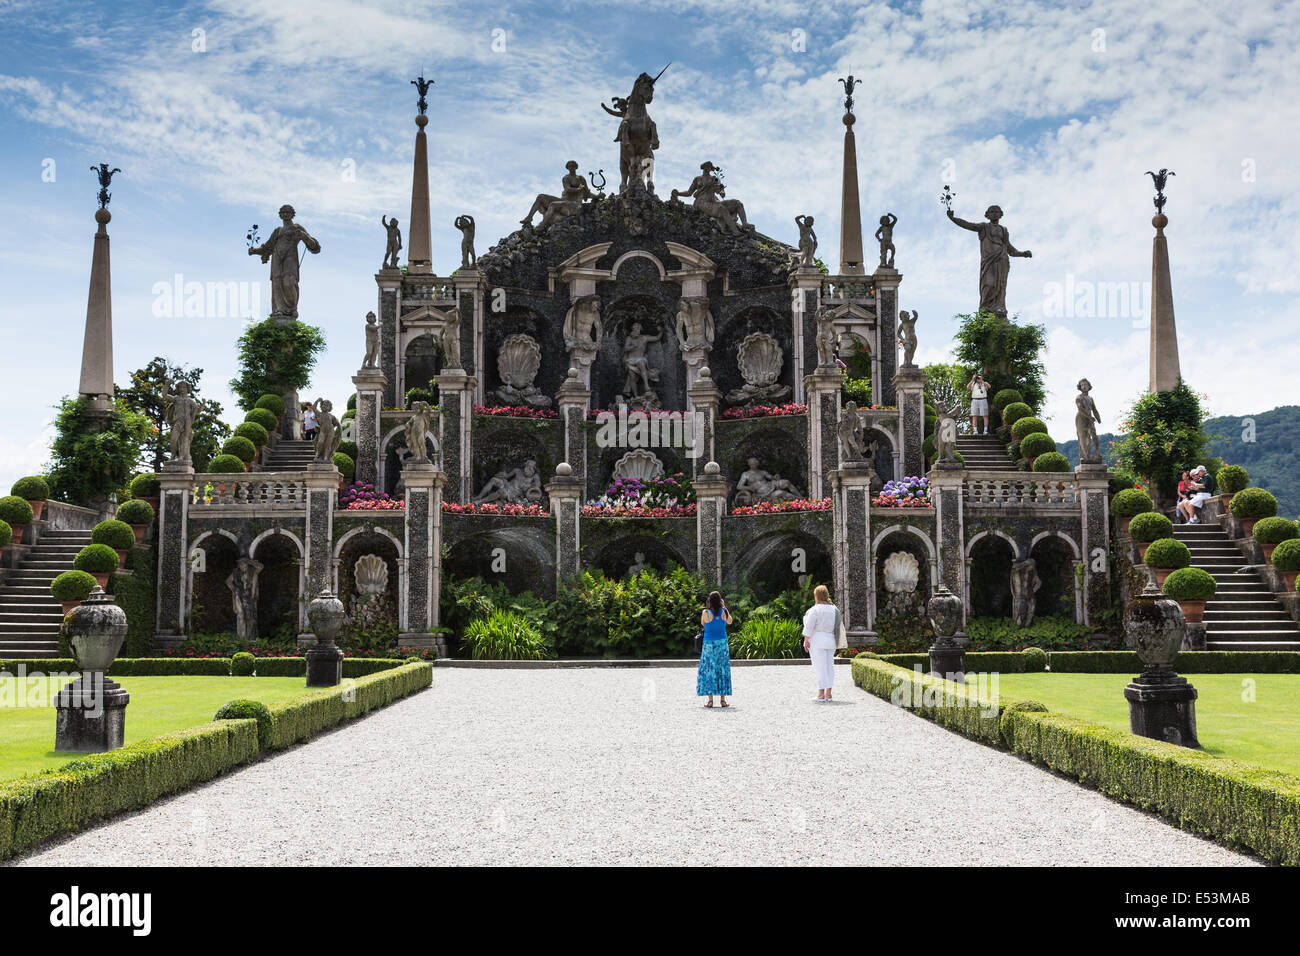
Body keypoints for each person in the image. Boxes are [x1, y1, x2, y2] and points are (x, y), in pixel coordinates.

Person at [802, 585, 840, 701]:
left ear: (816, 596)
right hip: (831, 640)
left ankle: (820, 694)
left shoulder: (815, 610)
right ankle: (828, 693)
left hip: (818, 641)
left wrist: (806, 640)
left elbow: (809, 626)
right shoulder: (834, 609)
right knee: (829, 666)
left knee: (820, 667)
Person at [697, 590, 733, 708]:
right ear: (720, 600)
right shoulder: (724, 612)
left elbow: (703, 624)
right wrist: (724, 607)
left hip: (708, 645)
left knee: (709, 670)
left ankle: (710, 700)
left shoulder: (705, 613)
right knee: (722, 669)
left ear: (710, 601)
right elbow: (730, 622)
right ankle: (722, 700)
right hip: (722, 644)